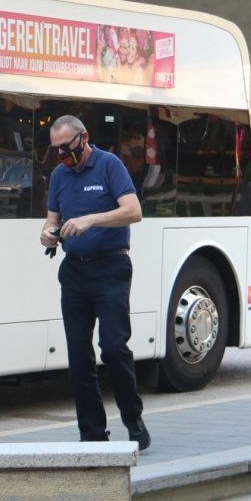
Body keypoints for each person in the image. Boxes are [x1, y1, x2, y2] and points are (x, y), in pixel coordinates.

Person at [39, 115, 151, 451]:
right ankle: (92, 434)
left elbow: (134, 211)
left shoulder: (109, 165)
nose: (61, 155)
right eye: (55, 150)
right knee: (78, 357)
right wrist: (47, 236)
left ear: (83, 138)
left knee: (114, 348)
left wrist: (91, 220)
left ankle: (133, 418)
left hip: (111, 268)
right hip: (74, 272)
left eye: (66, 147)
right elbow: (50, 222)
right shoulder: (59, 175)